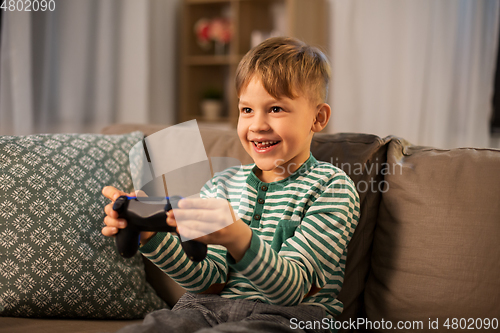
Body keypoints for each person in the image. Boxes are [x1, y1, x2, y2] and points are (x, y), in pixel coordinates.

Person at [102, 37, 360, 333]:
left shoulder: (332, 187)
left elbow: (292, 291)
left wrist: (238, 238)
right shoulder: (221, 185)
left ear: (318, 117)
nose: (257, 125)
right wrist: (152, 238)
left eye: (275, 109)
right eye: (247, 110)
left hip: (288, 316)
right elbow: (207, 281)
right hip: (206, 308)